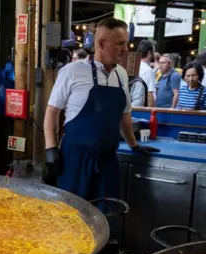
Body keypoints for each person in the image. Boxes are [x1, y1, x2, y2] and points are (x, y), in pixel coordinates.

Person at [42, 18, 159, 200]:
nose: (125, 48)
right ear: (102, 44)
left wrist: (134, 145)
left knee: (107, 213)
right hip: (76, 160)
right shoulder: (71, 71)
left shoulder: (121, 74)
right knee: (73, 216)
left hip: (107, 160)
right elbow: (52, 111)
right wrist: (50, 148)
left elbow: (125, 117)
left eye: (126, 43)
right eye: (120, 44)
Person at [137, 40, 156, 107]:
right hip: (143, 109)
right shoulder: (148, 70)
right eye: (154, 51)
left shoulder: (134, 66)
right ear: (149, 53)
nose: (154, 54)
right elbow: (149, 94)